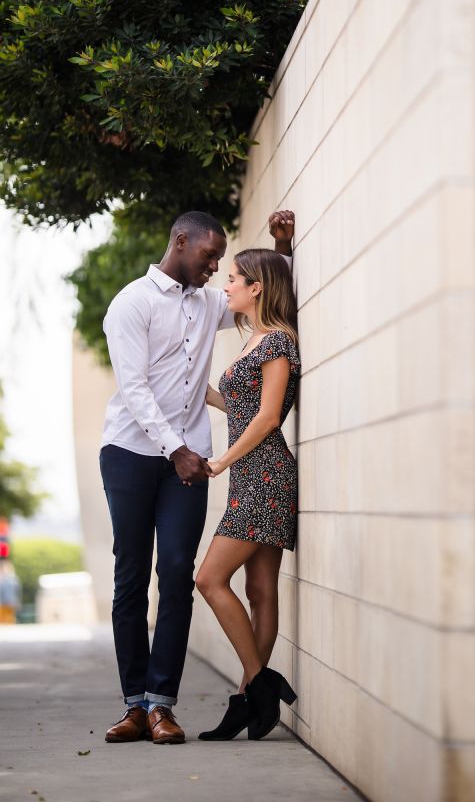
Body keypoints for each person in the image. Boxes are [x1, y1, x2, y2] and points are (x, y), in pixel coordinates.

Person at [100, 209, 294, 745]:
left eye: (220, 261)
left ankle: (162, 705)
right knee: (131, 575)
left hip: (189, 461)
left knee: (181, 571)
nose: (215, 267)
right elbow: (134, 388)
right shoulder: (131, 304)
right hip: (131, 454)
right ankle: (134, 705)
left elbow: (268, 296)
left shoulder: (209, 302)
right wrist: (175, 447)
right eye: (209, 256)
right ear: (180, 242)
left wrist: (282, 247)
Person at [195, 246, 300, 741]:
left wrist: (221, 460)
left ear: (257, 288)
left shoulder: (278, 341)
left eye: (234, 278)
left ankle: (258, 684)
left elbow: (268, 416)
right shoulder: (254, 339)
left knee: (209, 579)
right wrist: (191, 386)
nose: (226, 285)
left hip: (265, 476)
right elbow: (237, 403)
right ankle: (248, 699)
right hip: (251, 475)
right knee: (258, 593)